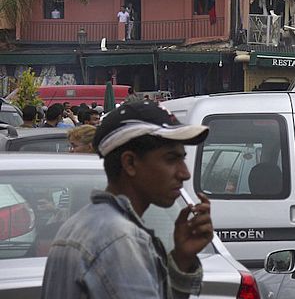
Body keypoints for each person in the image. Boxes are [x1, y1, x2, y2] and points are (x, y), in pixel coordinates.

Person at [42, 100, 212, 298]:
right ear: (130, 163)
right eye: (171, 159)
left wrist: (182, 259)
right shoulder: (120, 239)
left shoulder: (84, 225)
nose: (184, 173)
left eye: (182, 159)